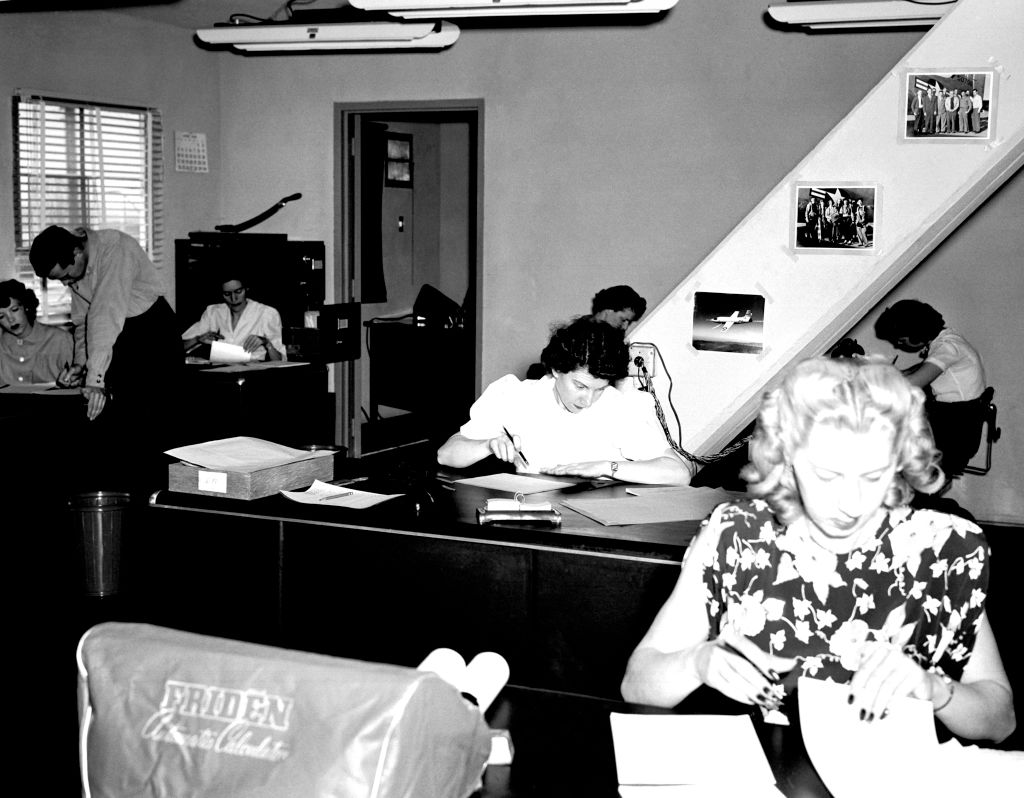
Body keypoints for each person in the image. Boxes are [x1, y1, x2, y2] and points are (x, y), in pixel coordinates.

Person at [621, 357, 1015, 743]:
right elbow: (637, 686)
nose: (852, 503)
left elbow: (1000, 721)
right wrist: (697, 663)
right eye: (827, 475)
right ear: (787, 461)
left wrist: (933, 688)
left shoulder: (940, 550)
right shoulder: (736, 537)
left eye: (874, 476)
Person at [439, 316, 691, 485]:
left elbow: (679, 473)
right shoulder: (515, 395)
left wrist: (606, 467)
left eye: (599, 389)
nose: (588, 400)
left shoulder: (618, 407)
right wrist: (487, 445)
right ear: (557, 369)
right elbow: (446, 455)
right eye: (580, 386)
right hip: (534, 516)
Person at [874, 299, 986, 480]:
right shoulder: (949, 340)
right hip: (958, 422)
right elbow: (926, 367)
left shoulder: (948, 348)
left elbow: (912, 383)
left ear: (915, 333)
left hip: (955, 433)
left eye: (901, 340)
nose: (898, 345)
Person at [181, 272, 285, 361]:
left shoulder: (267, 313)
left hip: (253, 371)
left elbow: (280, 360)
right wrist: (197, 339)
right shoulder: (213, 312)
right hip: (219, 370)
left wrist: (267, 344)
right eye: (227, 294)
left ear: (246, 289)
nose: (234, 298)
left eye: (238, 292)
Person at [0, 279, 75, 386]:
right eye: (1, 316)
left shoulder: (60, 339)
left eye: (15, 310)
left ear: (26, 307)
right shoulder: (2, 345)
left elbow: (80, 380)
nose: (10, 319)